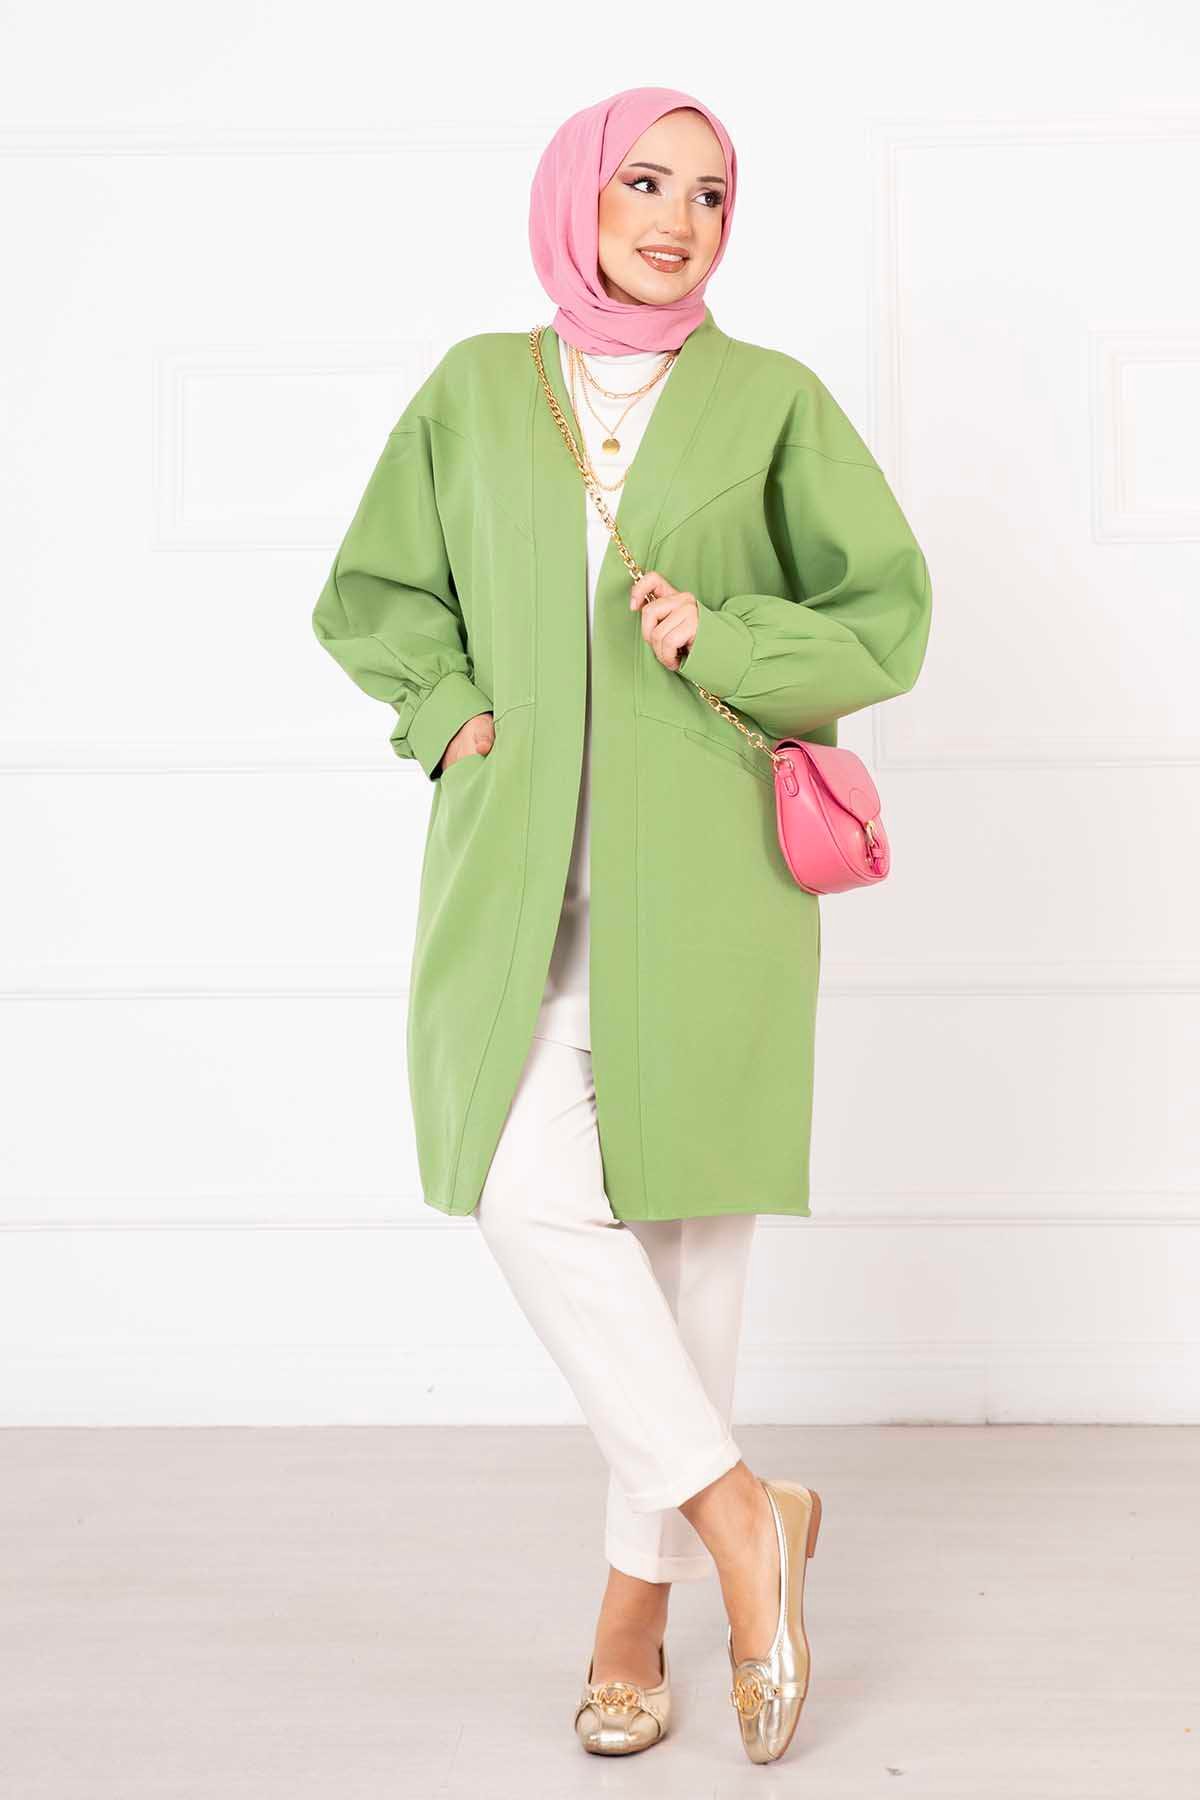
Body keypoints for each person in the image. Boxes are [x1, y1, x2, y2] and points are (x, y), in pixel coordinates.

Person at [311, 86, 932, 1764]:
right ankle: (745, 1518)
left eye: (711, 195)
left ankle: (630, 1618)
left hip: (715, 882)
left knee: (688, 1255)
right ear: (578, 194)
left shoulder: (773, 402)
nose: (676, 219)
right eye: (647, 182)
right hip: (520, 886)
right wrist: (445, 710)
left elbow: (884, 619)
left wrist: (724, 641)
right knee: (527, 1195)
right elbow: (376, 592)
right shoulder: (475, 389)